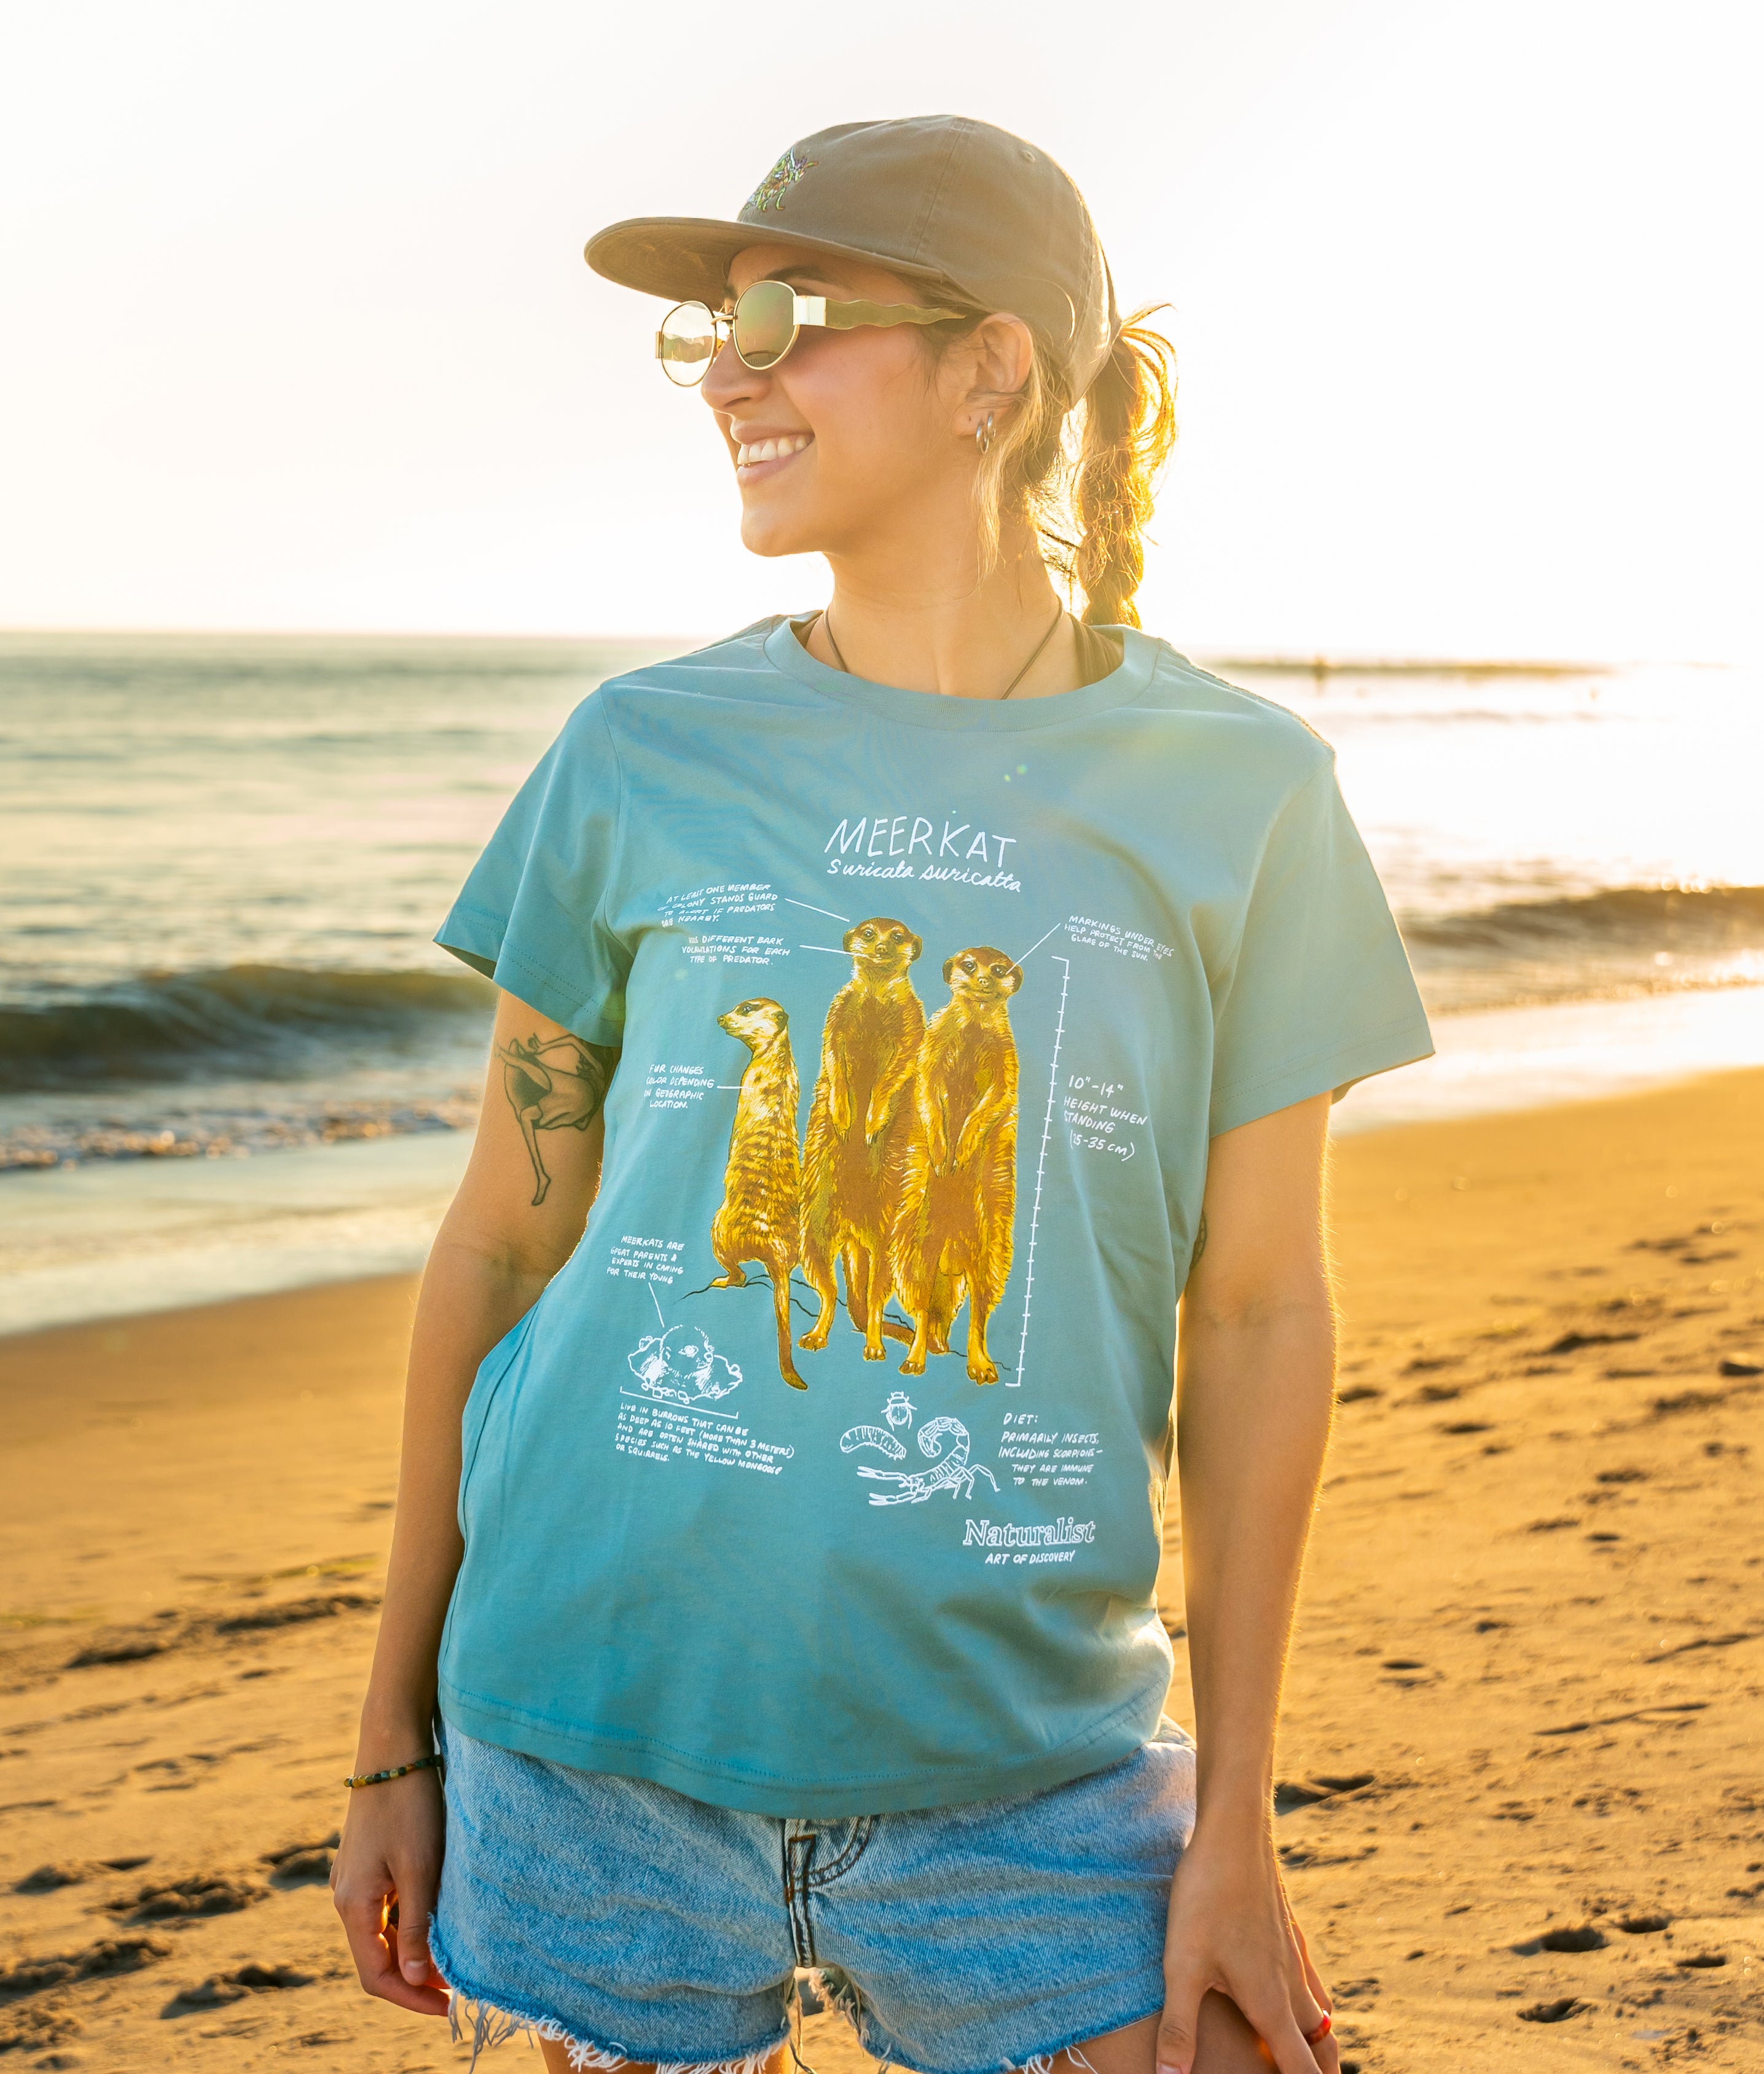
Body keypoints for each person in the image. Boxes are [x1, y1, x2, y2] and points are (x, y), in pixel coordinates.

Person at [331, 115, 1433, 2074]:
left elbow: (1260, 1310)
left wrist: (1239, 1811)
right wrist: (392, 1736)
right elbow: (504, 1241)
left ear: (993, 367)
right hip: (588, 1743)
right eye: (709, 333)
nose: (730, 374)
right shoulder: (636, 750)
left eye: (781, 314)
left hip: (1033, 1768)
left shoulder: (1244, 794)